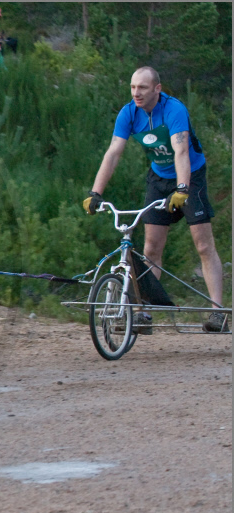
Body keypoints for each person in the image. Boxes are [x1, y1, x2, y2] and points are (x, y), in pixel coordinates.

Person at [84, 66, 227, 333]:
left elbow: (181, 151)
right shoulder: (128, 113)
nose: (136, 93)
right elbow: (113, 153)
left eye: (143, 88)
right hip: (158, 178)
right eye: (133, 87)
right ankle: (143, 313)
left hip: (191, 176)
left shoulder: (174, 110)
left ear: (157, 89)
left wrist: (182, 188)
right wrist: (95, 193)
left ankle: (218, 312)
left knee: (203, 245)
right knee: (151, 248)